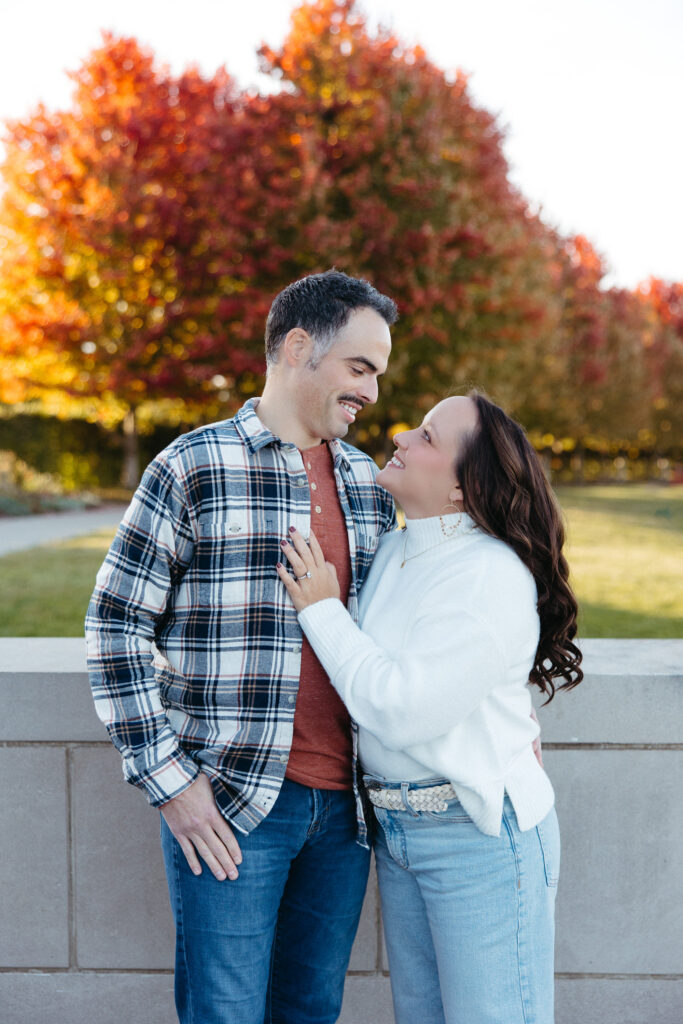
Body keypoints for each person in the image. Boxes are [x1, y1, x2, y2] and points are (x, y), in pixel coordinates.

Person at [85, 269, 398, 1024]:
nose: (372, 394)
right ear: (298, 347)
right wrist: (172, 785)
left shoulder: (367, 484)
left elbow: (418, 632)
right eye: (359, 369)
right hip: (231, 803)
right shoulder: (192, 467)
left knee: (311, 1011)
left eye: (378, 375)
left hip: (347, 815)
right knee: (223, 1013)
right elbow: (115, 627)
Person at [276, 391, 583, 1024]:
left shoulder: (490, 574)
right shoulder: (396, 553)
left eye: (426, 437)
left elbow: (401, 708)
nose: (403, 439)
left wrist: (321, 610)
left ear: (464, 490)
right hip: (398, 834)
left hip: (479, 838)